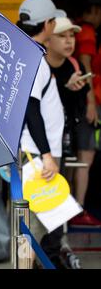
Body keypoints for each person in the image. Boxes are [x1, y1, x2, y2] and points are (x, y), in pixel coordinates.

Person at [17, 0, 72, 269]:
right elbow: (31, 110)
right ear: (48, 24)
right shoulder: (35, 58)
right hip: (38, 154)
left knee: (43, 222)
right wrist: (47, 154)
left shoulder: (23, 52)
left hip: (34, 151)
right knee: (35, 225)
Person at [45, 17, 101, 227]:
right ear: (47, 40)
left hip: (63, 134)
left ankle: (64, 223)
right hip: (38, 141)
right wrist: (63, 87)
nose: (69, 41)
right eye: (62, 36)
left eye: (71, 36)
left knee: (64, 175)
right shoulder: (38, 65)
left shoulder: (71, 65)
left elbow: (74, 106)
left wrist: (75, 92)